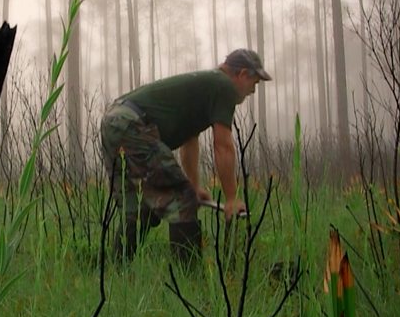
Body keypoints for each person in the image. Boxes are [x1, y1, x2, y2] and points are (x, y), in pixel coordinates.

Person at [99, 48, 271, 264]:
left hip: (114, 121)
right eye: (254, 82)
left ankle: (116, 271)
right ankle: (189, 276)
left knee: (140, 207)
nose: (253, 90)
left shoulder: (207, 86)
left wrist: (194, 186)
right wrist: (231, 198)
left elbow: (189, 141)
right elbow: (223, 146)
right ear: (243, 74)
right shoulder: (224, 86)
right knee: (182, 200)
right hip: (131, 123)